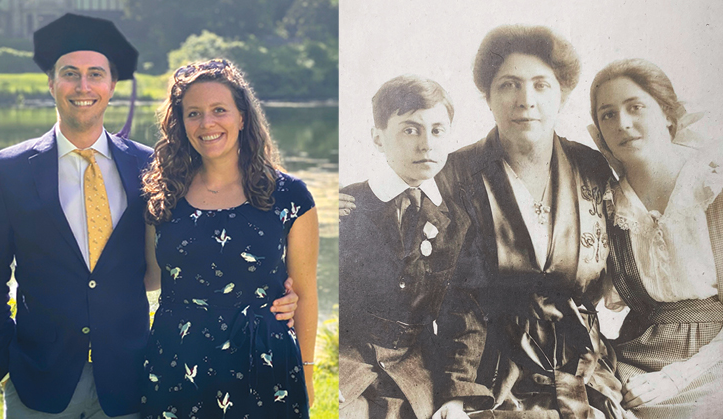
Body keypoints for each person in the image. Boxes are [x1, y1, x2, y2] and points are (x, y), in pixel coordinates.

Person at [0, 14, 297, 419]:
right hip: (38, 382)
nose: (83, 86)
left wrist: (272, 294)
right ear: (51, 83)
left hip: (128, 381)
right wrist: (3, 364)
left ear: (111, 86)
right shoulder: (8, 170)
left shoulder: (153, 168)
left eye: (95, 74)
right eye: (70, 74)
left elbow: (195, 250)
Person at [437, 25, 625, 418]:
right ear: (487, 97)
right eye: (509, 85)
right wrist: (459, 392)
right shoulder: (456, 171)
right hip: (492, 371)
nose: (526, 100)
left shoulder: (590, 166)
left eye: (541, 85)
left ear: (562, 95)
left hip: (583, 366)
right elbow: (455, 299)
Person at [139, 58, 318, 418]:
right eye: (193, 113)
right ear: (180, 123)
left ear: (241, 116)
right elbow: (149, 277)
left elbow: (306, 291)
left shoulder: (289, 195)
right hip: (177, 357)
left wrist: (308, 372)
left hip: (263, 360)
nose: (207, 123)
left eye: (219, 110)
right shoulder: (162, 194)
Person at [339, 75, 491, 419]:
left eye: (437, 131)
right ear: (378, 138)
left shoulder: (457, 220)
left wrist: (456, 395)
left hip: (413, 366)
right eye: (410, 130)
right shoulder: (346, 206)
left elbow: (464, 314)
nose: (426, 145)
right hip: (346, 359)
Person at [589, 58, 723, 419]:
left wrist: (677, 379)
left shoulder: (713, 187)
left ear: (666, 114)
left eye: (635, 107)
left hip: (713, 357)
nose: (623, 123)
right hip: (636, 358)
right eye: (608, 115)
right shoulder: (607, 205)